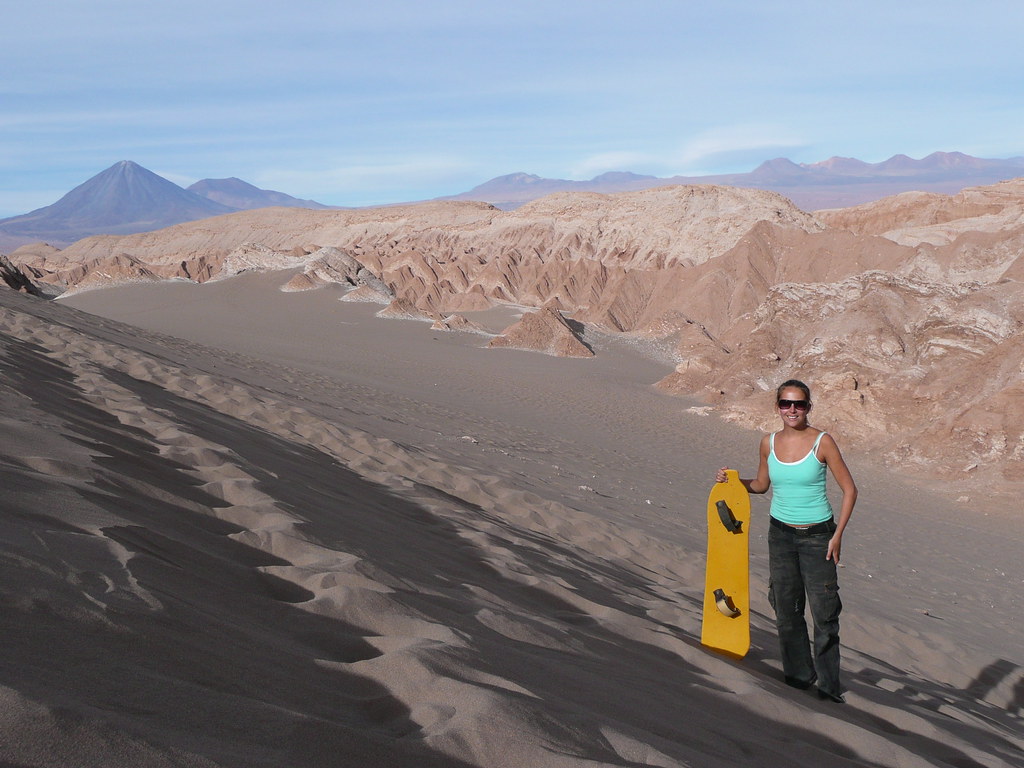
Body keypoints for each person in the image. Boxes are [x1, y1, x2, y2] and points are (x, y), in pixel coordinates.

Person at [716, 379, 857, 703]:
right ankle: (798, 676)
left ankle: (828, 687)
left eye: (799, 404)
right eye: (785, 404)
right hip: (780, 535)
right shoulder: (768, 443)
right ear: (777, 407)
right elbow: (763, 484)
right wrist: (733, 480)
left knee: (824, 613)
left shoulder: (823, 442)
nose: (792, 410)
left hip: (817, 536)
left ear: (809, 407)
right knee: (785, 607)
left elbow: (850, 490)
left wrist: (837, 536)